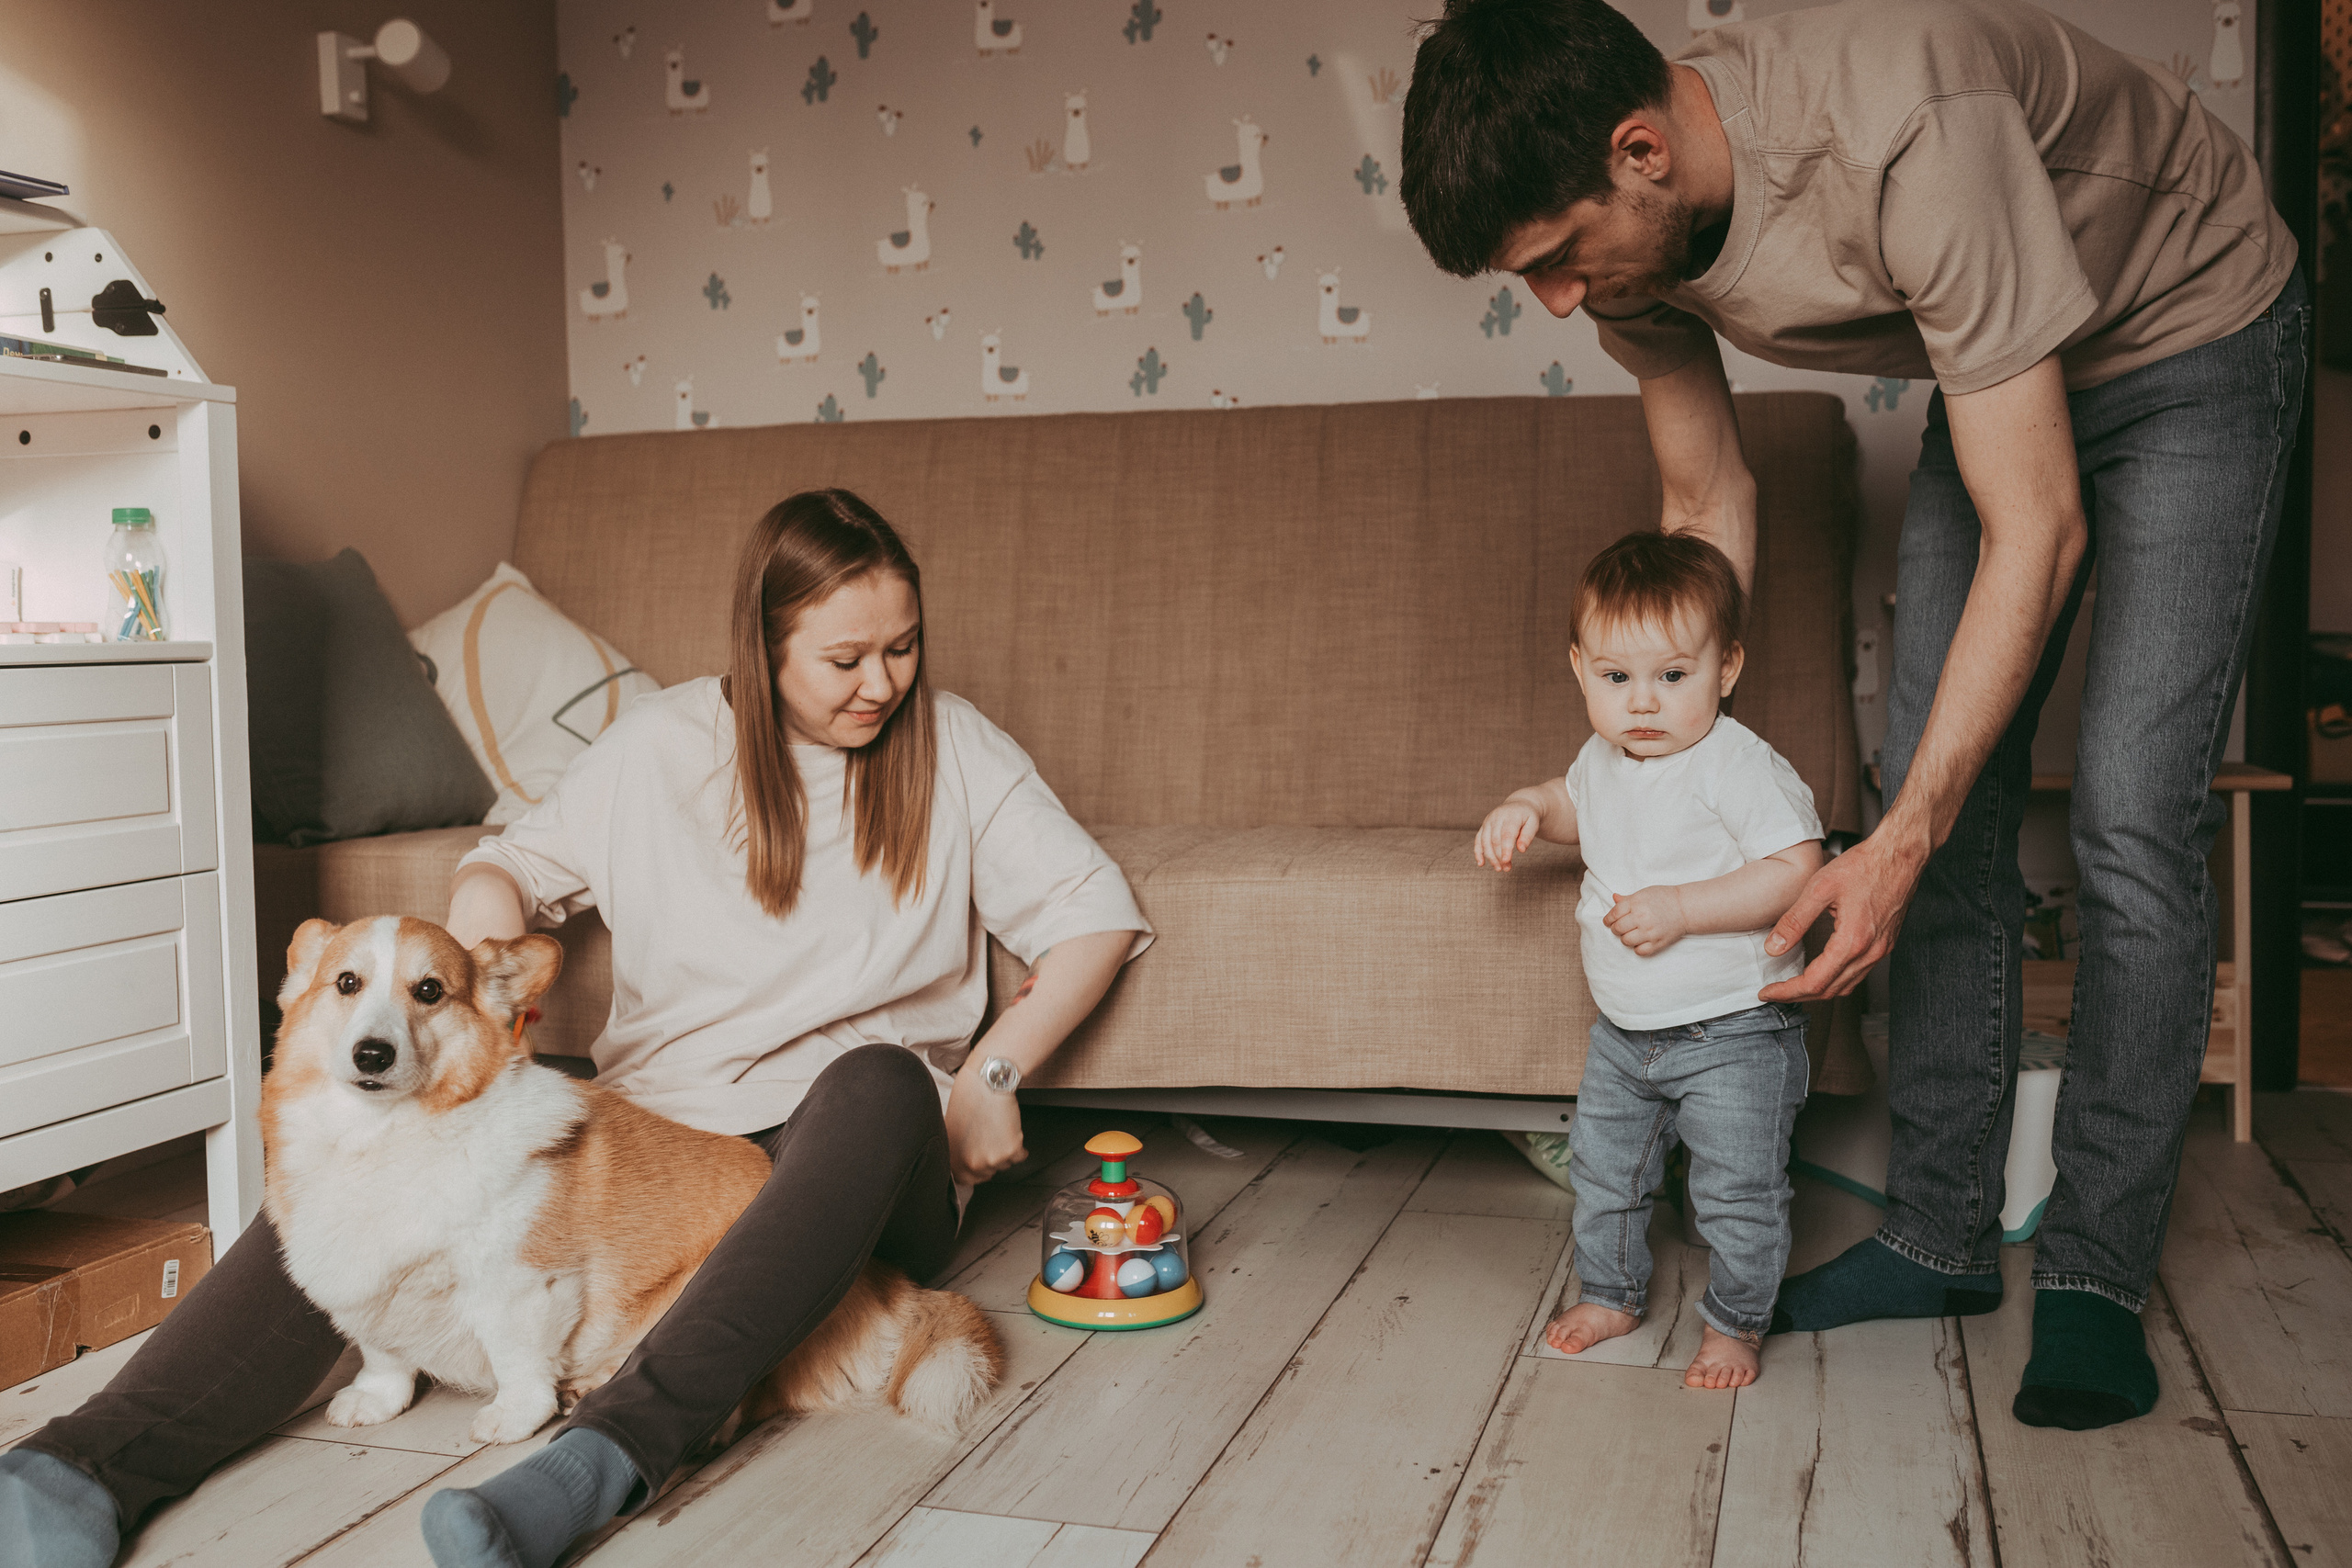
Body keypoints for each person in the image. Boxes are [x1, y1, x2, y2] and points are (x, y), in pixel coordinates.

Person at [1402, 0, 2307, 1430]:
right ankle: (1938, 1232)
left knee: (2134, 812)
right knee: (1928, 791)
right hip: (1997, 353)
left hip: (2192, 327)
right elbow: (1705, 509)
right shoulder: (1631, 253)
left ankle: (2094, 1274)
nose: (1562, 305)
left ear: (1641, 153)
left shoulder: (1901, 125)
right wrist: (1671, 744)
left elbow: (2041, 526)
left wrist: (1890, 846)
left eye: (1559, 261)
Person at [0, 490, 1151, 1568]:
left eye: (902, 648)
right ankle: (80, 1468)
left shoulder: (952, 747)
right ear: (760, 647)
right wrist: (470, 986)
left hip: (853, 1157)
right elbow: (508, 865)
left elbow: (1093, 914)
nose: (880, 683)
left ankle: (598, 1463)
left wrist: (994, 1070)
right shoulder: (661, 747)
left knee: (880, 1078)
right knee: (366, 1166)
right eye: (844, 659)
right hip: (662, 1151)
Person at [1477, 531, 1823, 1390]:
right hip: (1625, 1033)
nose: (1643, 703)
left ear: (1727, 666)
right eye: (1615, 677)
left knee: (1736, 1193)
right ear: (1579, 668)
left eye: (1673, 676)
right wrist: (1527, 805)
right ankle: (1612, 1291)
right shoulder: (1605, 758)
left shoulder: (1738, 765)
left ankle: (1737, 1324)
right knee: (1604, 1173)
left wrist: (1683, 909)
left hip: (1736, 1028)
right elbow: (1572, 803)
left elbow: (1797, 870)